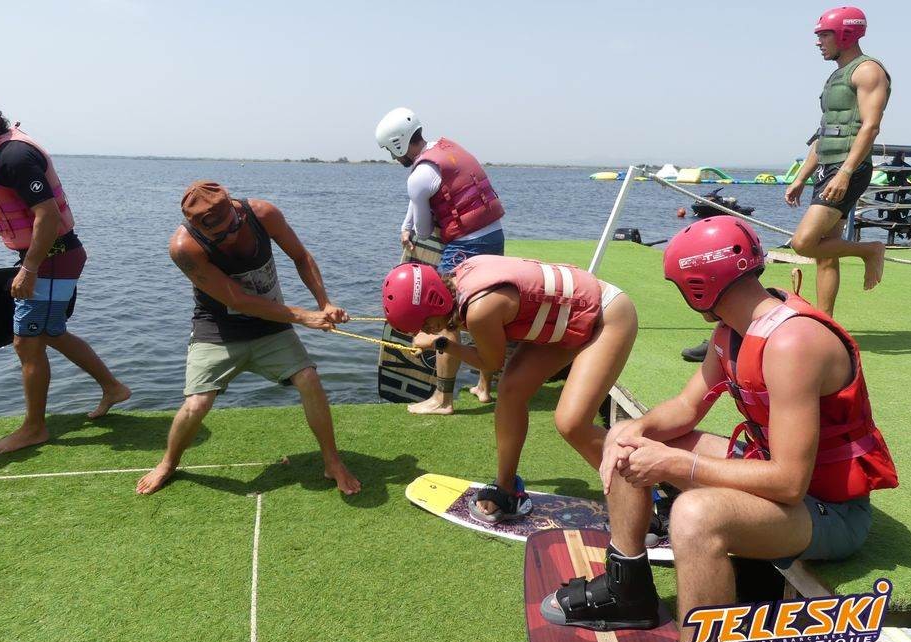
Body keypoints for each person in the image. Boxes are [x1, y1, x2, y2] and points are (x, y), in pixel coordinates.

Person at [540, 216, 898, 642]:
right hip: (783, 481)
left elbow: (789, 483)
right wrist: (633, 431)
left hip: (832, 512)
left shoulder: (793, 344)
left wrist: (676, 464)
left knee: (696, 516)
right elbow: (686, 407)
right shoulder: (735, 327)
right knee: (635, 440)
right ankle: (627, 590)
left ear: (697, 287)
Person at [0, 77, 129, 454]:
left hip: (54, 256)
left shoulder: (14, 156)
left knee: (26, 342)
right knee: (50, 332)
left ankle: (34, 429)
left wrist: (29, 269)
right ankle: (113, 388)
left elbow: (47, 215)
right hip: (47, 256)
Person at [136, 181, 360, 496]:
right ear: (199, 229)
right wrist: (304, 316)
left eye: (233, 227)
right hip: (218, 328)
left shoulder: (263, 214)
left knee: (309, 378)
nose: (229, 237)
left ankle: (332, 462)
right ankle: (168, 463)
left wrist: (324, 303)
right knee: (197, 404)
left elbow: (300, 255)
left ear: (235, 209)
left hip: (272, 324)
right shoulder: (184, 248)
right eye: (218, 236)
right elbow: (238, 300)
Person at [382, 254, 637, 522]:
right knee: (510, 392)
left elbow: (490, 363)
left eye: (425, 323)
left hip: (606, 314)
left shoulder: (480, 309)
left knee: (572, 423)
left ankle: (642, 491)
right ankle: (506, 489)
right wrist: (438, 335)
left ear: (436, 300)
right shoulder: (458, 279)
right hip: (566, 317)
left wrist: (441, 344)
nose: (427, 330)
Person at [375, 107, 506, 415]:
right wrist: (405, 225)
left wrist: (413, 229)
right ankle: (484, 387)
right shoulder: (446, 149)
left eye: (391, 151)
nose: (392, 157)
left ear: (398, 143)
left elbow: (423, 230)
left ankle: (442, 400)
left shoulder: (419, 176)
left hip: (465, 246)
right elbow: (420, 197)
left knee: (447, 318)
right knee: (481, 308)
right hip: (493, 235)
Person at [784, 7, 890, 316]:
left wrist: (844, 172)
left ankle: (870, 249)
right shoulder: (836, 76)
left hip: (848, 168)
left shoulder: (868, 71)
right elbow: (825, 133)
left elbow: (870, 127)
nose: (818, 42)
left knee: (803, 242)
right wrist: (801, 177)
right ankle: (825, 322)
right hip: (828, 167)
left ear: (846, 34)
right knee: (826, 254)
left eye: (824, 35)